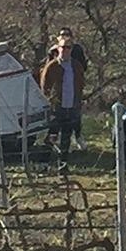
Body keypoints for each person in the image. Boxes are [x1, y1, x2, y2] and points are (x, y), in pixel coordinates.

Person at [37, 32, 84, 173]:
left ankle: (63, 165)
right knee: (52, 136)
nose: (66, 50)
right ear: (58, 49)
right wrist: (51, 101)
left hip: (71, 106)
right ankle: (44, 163)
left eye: (69, 48)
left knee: (66, 138)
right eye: (63, 47)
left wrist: (78, 101)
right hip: (57, 108)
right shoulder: (52, 66)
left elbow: (81, 84)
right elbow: (44, 86)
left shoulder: (76, 66)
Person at [45, 26, 90, 149]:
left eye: (67, 34)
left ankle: (76, 138)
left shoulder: (77, 50)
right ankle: (50, 149)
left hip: (72, 88)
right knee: (55, 123)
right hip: (58, 93)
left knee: (75, 118)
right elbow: (46, 72)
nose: (65, 36)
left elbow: (83, 68)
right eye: (62, 34)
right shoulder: (53, 51)